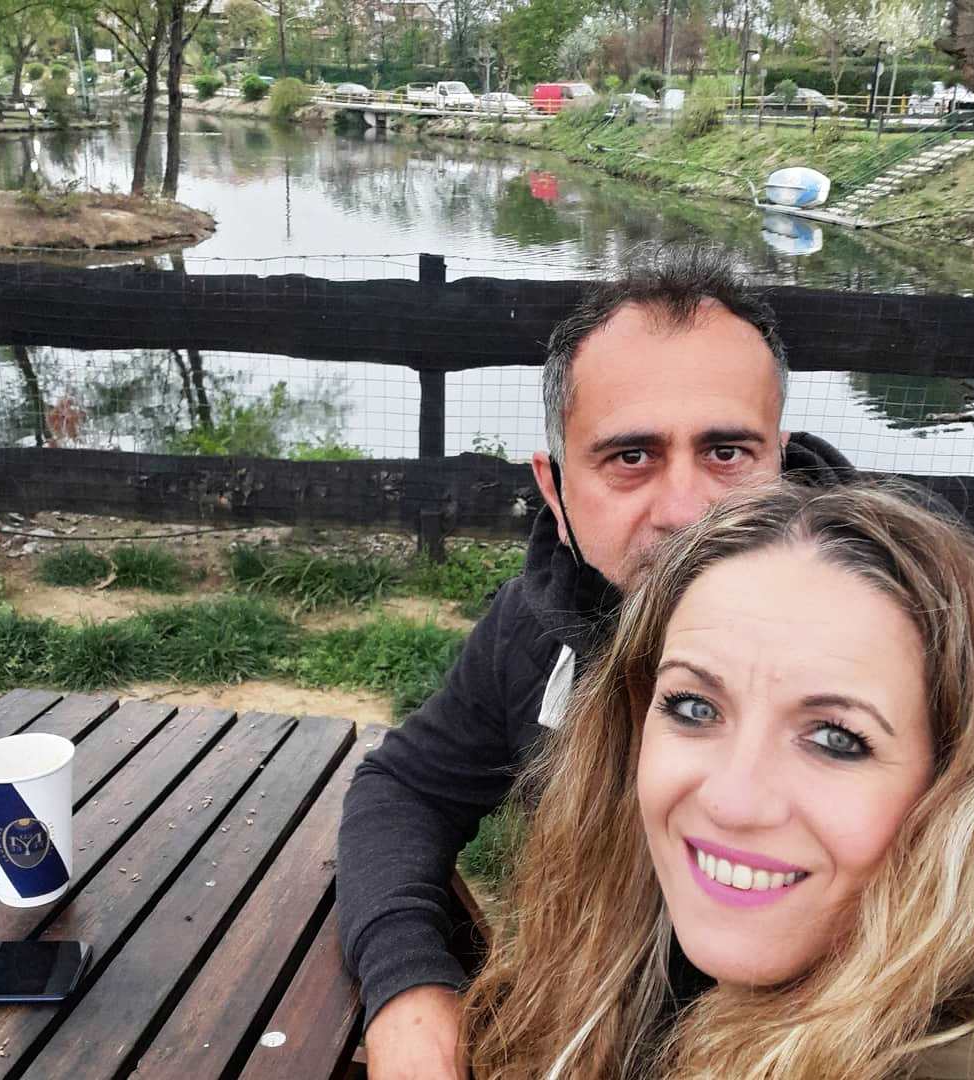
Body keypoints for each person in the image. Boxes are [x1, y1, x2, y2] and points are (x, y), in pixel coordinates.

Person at [337, 244, 855, 1078]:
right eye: (630, 457)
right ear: (555, 490)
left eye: (727, 453)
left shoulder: (893, 645)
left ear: (780, 460)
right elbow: (407, 786)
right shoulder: (536, 626)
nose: (684, 511)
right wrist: (406, 985)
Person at [463, 482, 974, 1080]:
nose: (732, 802)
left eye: (836, 738)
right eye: (695, 708)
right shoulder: (620, 963)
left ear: (956, 779)